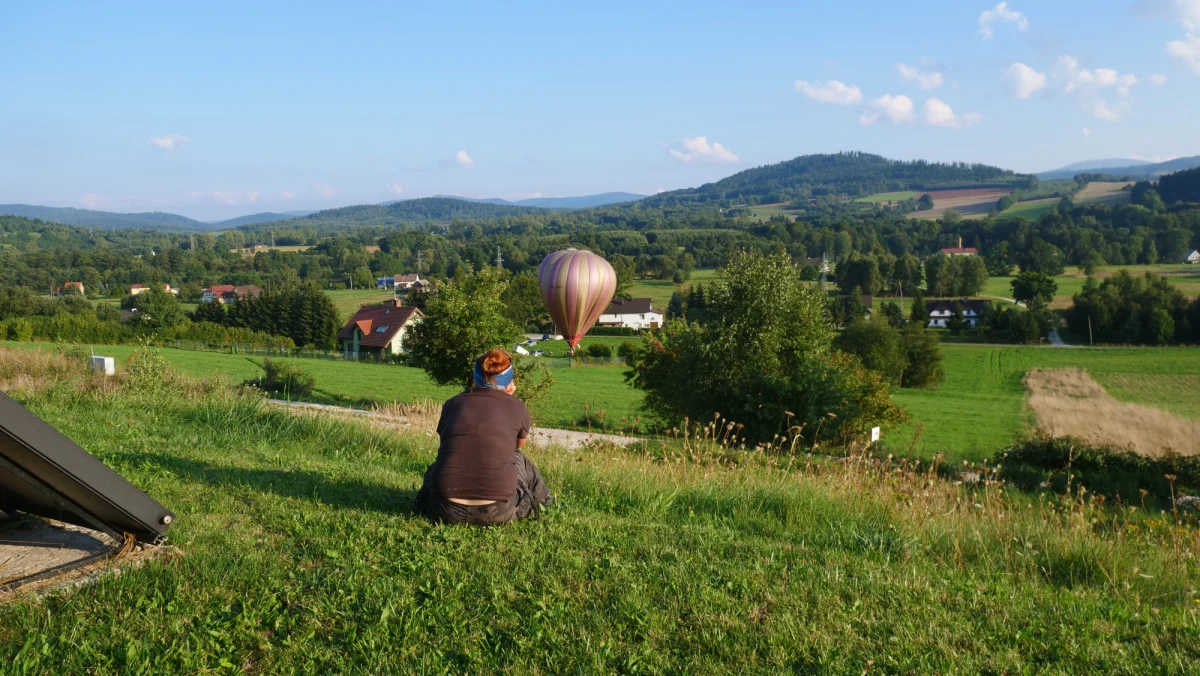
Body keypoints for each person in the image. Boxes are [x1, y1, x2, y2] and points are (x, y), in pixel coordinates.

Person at [415, 349, 552, 525]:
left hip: (443, 510)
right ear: (510, 380)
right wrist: (509, 399)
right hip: (498, 513)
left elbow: (448, 440)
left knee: (437, 464)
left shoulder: (452, 404)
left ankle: (428, 500)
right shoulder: (518, 407)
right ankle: (544, 501)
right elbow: (517, 446)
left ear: (475, 376)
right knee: (519, 458)